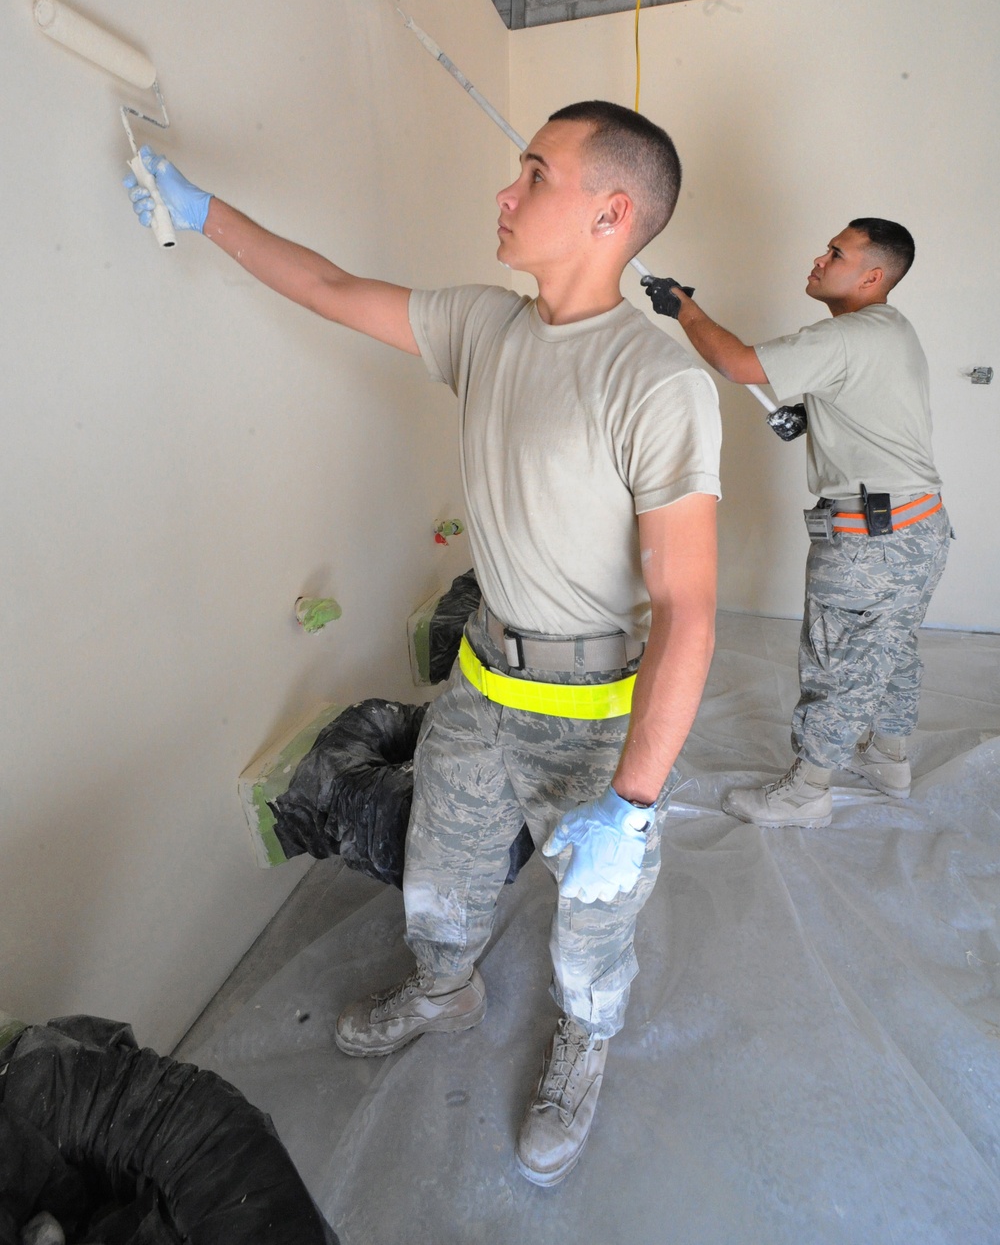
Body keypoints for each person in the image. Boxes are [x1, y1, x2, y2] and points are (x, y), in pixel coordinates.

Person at [124, 100, 721, 1187]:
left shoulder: (658, 380)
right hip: (479, 684)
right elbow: (330, 288)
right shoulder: (485, 327)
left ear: (610, 211)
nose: (504, 193)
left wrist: (631, 806)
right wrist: (203, 213)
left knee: (592, 924)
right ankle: (444, 987)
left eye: (534, 173)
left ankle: (582, 1042)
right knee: (440, 874)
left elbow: (688, 607)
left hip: (593, 714)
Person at [649, 219, 949, 828]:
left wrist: (684, 308)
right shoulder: (891, 331)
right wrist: (814, 415)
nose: (820, 256)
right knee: (887, 649)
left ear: (871, 275)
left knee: (839, 661)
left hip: (872, 542)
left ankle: (807, 792)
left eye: (836, 252)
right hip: (916, 531)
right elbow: (873, 410)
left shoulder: (850, 335)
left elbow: (736, 364)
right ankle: (888, 759)